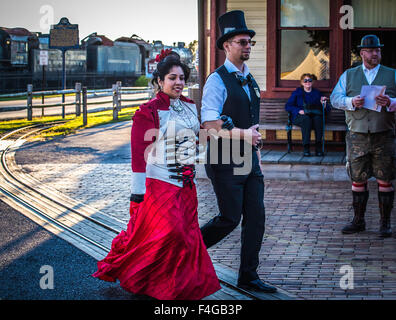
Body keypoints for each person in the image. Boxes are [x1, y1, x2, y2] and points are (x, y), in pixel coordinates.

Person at [92, 50, 221, 299]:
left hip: (186, 185)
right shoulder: (148, 111)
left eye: (182, 77)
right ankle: (143, 279)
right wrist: (137, 193)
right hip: (160, 184)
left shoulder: (189, 105)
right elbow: (138, 153)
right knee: (170, 233)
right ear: (160, 81)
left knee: (185, 237)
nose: (179, 82)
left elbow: (197, 137)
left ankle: (176, 288)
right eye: (172, 77)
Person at [199, 10, 277, 293]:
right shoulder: (216, 80)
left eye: (249, 42)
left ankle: (248, 276)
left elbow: (251, 121)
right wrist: (245, 135)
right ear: (226, 45)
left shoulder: (249, 79)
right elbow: (208, 123)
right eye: (242, 41)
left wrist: (256, 155)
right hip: (223, 159)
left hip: (249, 161)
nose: (247, 46)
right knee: (229, 219)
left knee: (256, 218)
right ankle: (186, 251)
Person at [330, 35, 396, 238]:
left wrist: (390, 101)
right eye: (371, 50)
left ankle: (385, 224)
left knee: (385, 179)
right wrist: (351, 101)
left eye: (378, 50)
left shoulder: (392, 74)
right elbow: (335, 99)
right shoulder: (349, 75)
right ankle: (358, 221)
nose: (375, 53)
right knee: (358, 179)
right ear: (362, 53)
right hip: (357, 135)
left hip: (383, 134)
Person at [285, 73, 330, 156]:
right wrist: (298, 110)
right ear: (302, 82)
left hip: (314, 116)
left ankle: (318, 148)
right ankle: (306, 148)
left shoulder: (317, 93)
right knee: (306, 120)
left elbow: (326, 110)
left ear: (312, 82)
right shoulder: (297, 92)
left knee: (318, 119)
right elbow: (288, 106)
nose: (307, 82)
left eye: (309, 80)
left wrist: (323, 103)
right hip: (300, 117)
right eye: (305, 81)